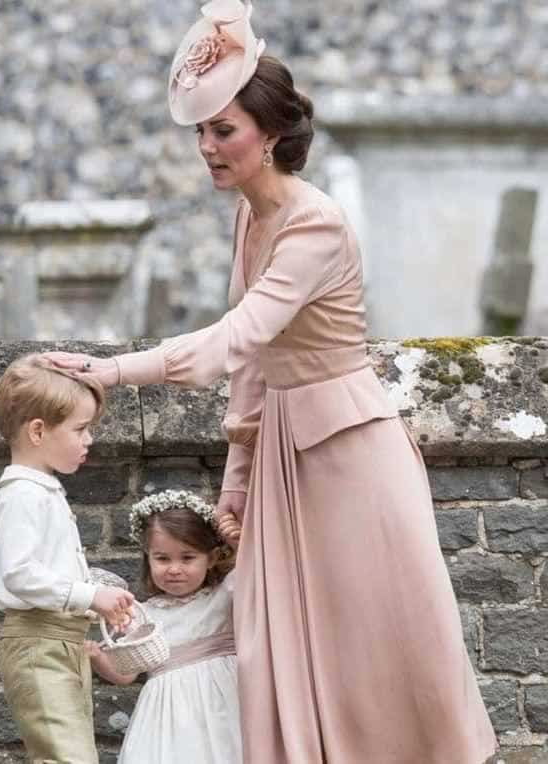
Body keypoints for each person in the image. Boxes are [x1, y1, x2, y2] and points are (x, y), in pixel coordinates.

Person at [45, 1, 498, 761]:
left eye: (223, 130)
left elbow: (235, 341)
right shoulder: (248, 217)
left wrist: (114, 370)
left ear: (272, 136)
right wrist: (237, 481)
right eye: (201, 131)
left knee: (377, 649)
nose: (207, 147)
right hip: (285, 451)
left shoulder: (314, 222)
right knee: (284, 645)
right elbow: (256, 374)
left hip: (350, 453)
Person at [0, 353, 134, 764]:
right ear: (38, 431)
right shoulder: (22, 495)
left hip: (61, 640)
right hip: (39, 642)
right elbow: (19, 574)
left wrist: (98, 594)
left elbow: (48, 568)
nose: (89, 440)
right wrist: (90, 596)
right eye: (81, 429)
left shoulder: (41, 490)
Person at [86, 489, 243, 764]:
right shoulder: (142, 614)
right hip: (165, 717)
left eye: (187, 558)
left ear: (212, 558)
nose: (174, 569)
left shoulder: (223, 596)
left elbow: (261, 571)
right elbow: (126, 674)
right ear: (148, 558)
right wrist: (98, 657)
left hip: (223, 704)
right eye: (162, 558)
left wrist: (238, 544)